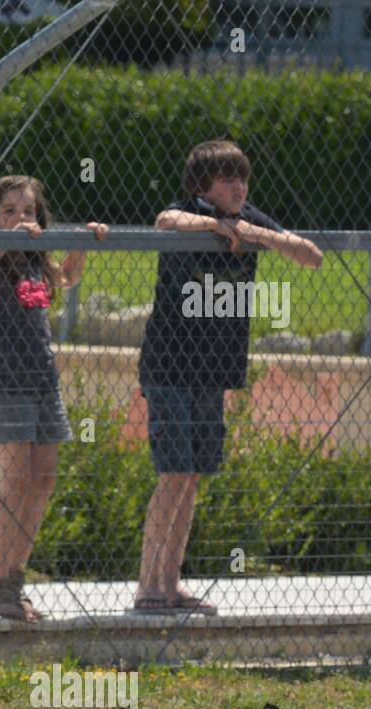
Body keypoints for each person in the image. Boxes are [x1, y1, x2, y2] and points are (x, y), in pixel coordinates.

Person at [133, 140, 322, 615]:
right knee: (172, 473)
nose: (238, 186)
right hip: (170, 364)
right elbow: (164, 221)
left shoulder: (251, 219)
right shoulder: (186, 213)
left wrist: (258, 234)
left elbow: (311, 256)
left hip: (212, 370)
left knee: (192, 477)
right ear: (203, 186)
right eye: (226, 178)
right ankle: (148, 588)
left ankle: (171, 585)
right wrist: (214, 226)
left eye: (242, 177)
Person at [0, 175, 107, 621]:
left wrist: (83, 241)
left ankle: (14, 577)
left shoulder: (36, 264)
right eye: (9, 211)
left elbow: (66, 277)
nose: (20, 219)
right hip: (3, 383)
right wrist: (3, 240)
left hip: (42, 383)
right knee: (14, 480)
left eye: (28, 212)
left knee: (43, 478)